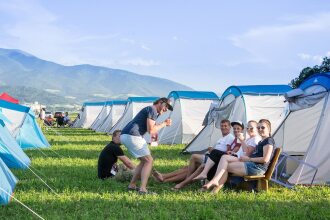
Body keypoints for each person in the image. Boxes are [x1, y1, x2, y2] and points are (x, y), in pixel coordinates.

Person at [202, 119, 275, 194]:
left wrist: (249, 159)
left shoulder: (268, 141)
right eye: (258, 127)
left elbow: (265, 159)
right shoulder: (262, 141)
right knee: (225, 164)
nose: (260, 129)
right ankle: (214, 187)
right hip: (253, 165)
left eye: (263, 127)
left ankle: (214, 185)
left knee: (225, 166)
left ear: (269, 129)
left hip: (257, 168)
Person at [120, 97, 173, 194]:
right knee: (149, 161)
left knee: (144, 161)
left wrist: (160, 125)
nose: (166, 110)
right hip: (132, 135)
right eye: (166, 106)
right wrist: (164, 123)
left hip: (126, 135)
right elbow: (151, 130)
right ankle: (143, 189)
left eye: (168, 108)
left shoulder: (150, 110)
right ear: (160, 102)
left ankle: (132, 185)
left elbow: (152, 130)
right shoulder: (152, 109)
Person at [168, 119, 236, 190]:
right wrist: (212, 149)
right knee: (187, 167)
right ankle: (166, 178)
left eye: (225, 126)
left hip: (216, 159)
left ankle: (184, 181)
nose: (223, 127)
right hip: (212, 157)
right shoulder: (221, 138)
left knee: (194, 158)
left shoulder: (230, 137)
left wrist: (213, 150)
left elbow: (227, 151)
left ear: (229, 127)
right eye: (222, 126)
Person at [193, 120, 261, 182]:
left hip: (241, 159)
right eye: (248, 128)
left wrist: (241, 141)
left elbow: (247, 153)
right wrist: (232, 152)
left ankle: (209, 179)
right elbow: (241, 151)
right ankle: (207, 178)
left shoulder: (251, 139)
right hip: (236, 156)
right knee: (216, 156)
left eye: (251, 128)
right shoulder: (247, 139)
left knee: (217, 155)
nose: (249, 129)